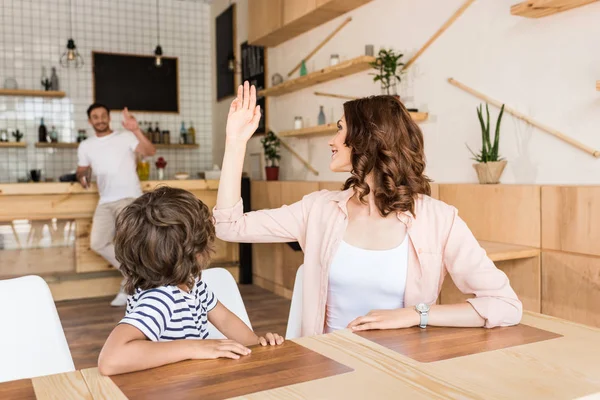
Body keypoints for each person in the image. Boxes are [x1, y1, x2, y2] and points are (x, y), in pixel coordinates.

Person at [213, 82, 522, 337]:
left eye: (339, 129)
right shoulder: (319, 210)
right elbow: (229, 226)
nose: (332, 140)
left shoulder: (438, 219)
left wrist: (415, 315)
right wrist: (235, 142)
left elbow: (505, 305)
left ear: (366, 140)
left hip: (403, 371)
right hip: (327, 370)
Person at [98, 187, 284, 375]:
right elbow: (110, 360)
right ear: (195, 252)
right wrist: (194, 347)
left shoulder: (192, 283)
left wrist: (257, 348)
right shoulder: (161, 298)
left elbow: (225, 319)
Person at [76, 103, 156, 306]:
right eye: (95, 117)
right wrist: (82, 177)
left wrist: (135, 130)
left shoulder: (125, 137)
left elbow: (150, 151)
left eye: (103, 115)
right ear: (90, 121)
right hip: (105, 200)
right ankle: (133, 278)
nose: (100, 119)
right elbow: (82, 169)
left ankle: (131, 285)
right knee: (97, 242)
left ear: (108, 118)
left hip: (129, 199)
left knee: (129, 245)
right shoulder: (86, 145)